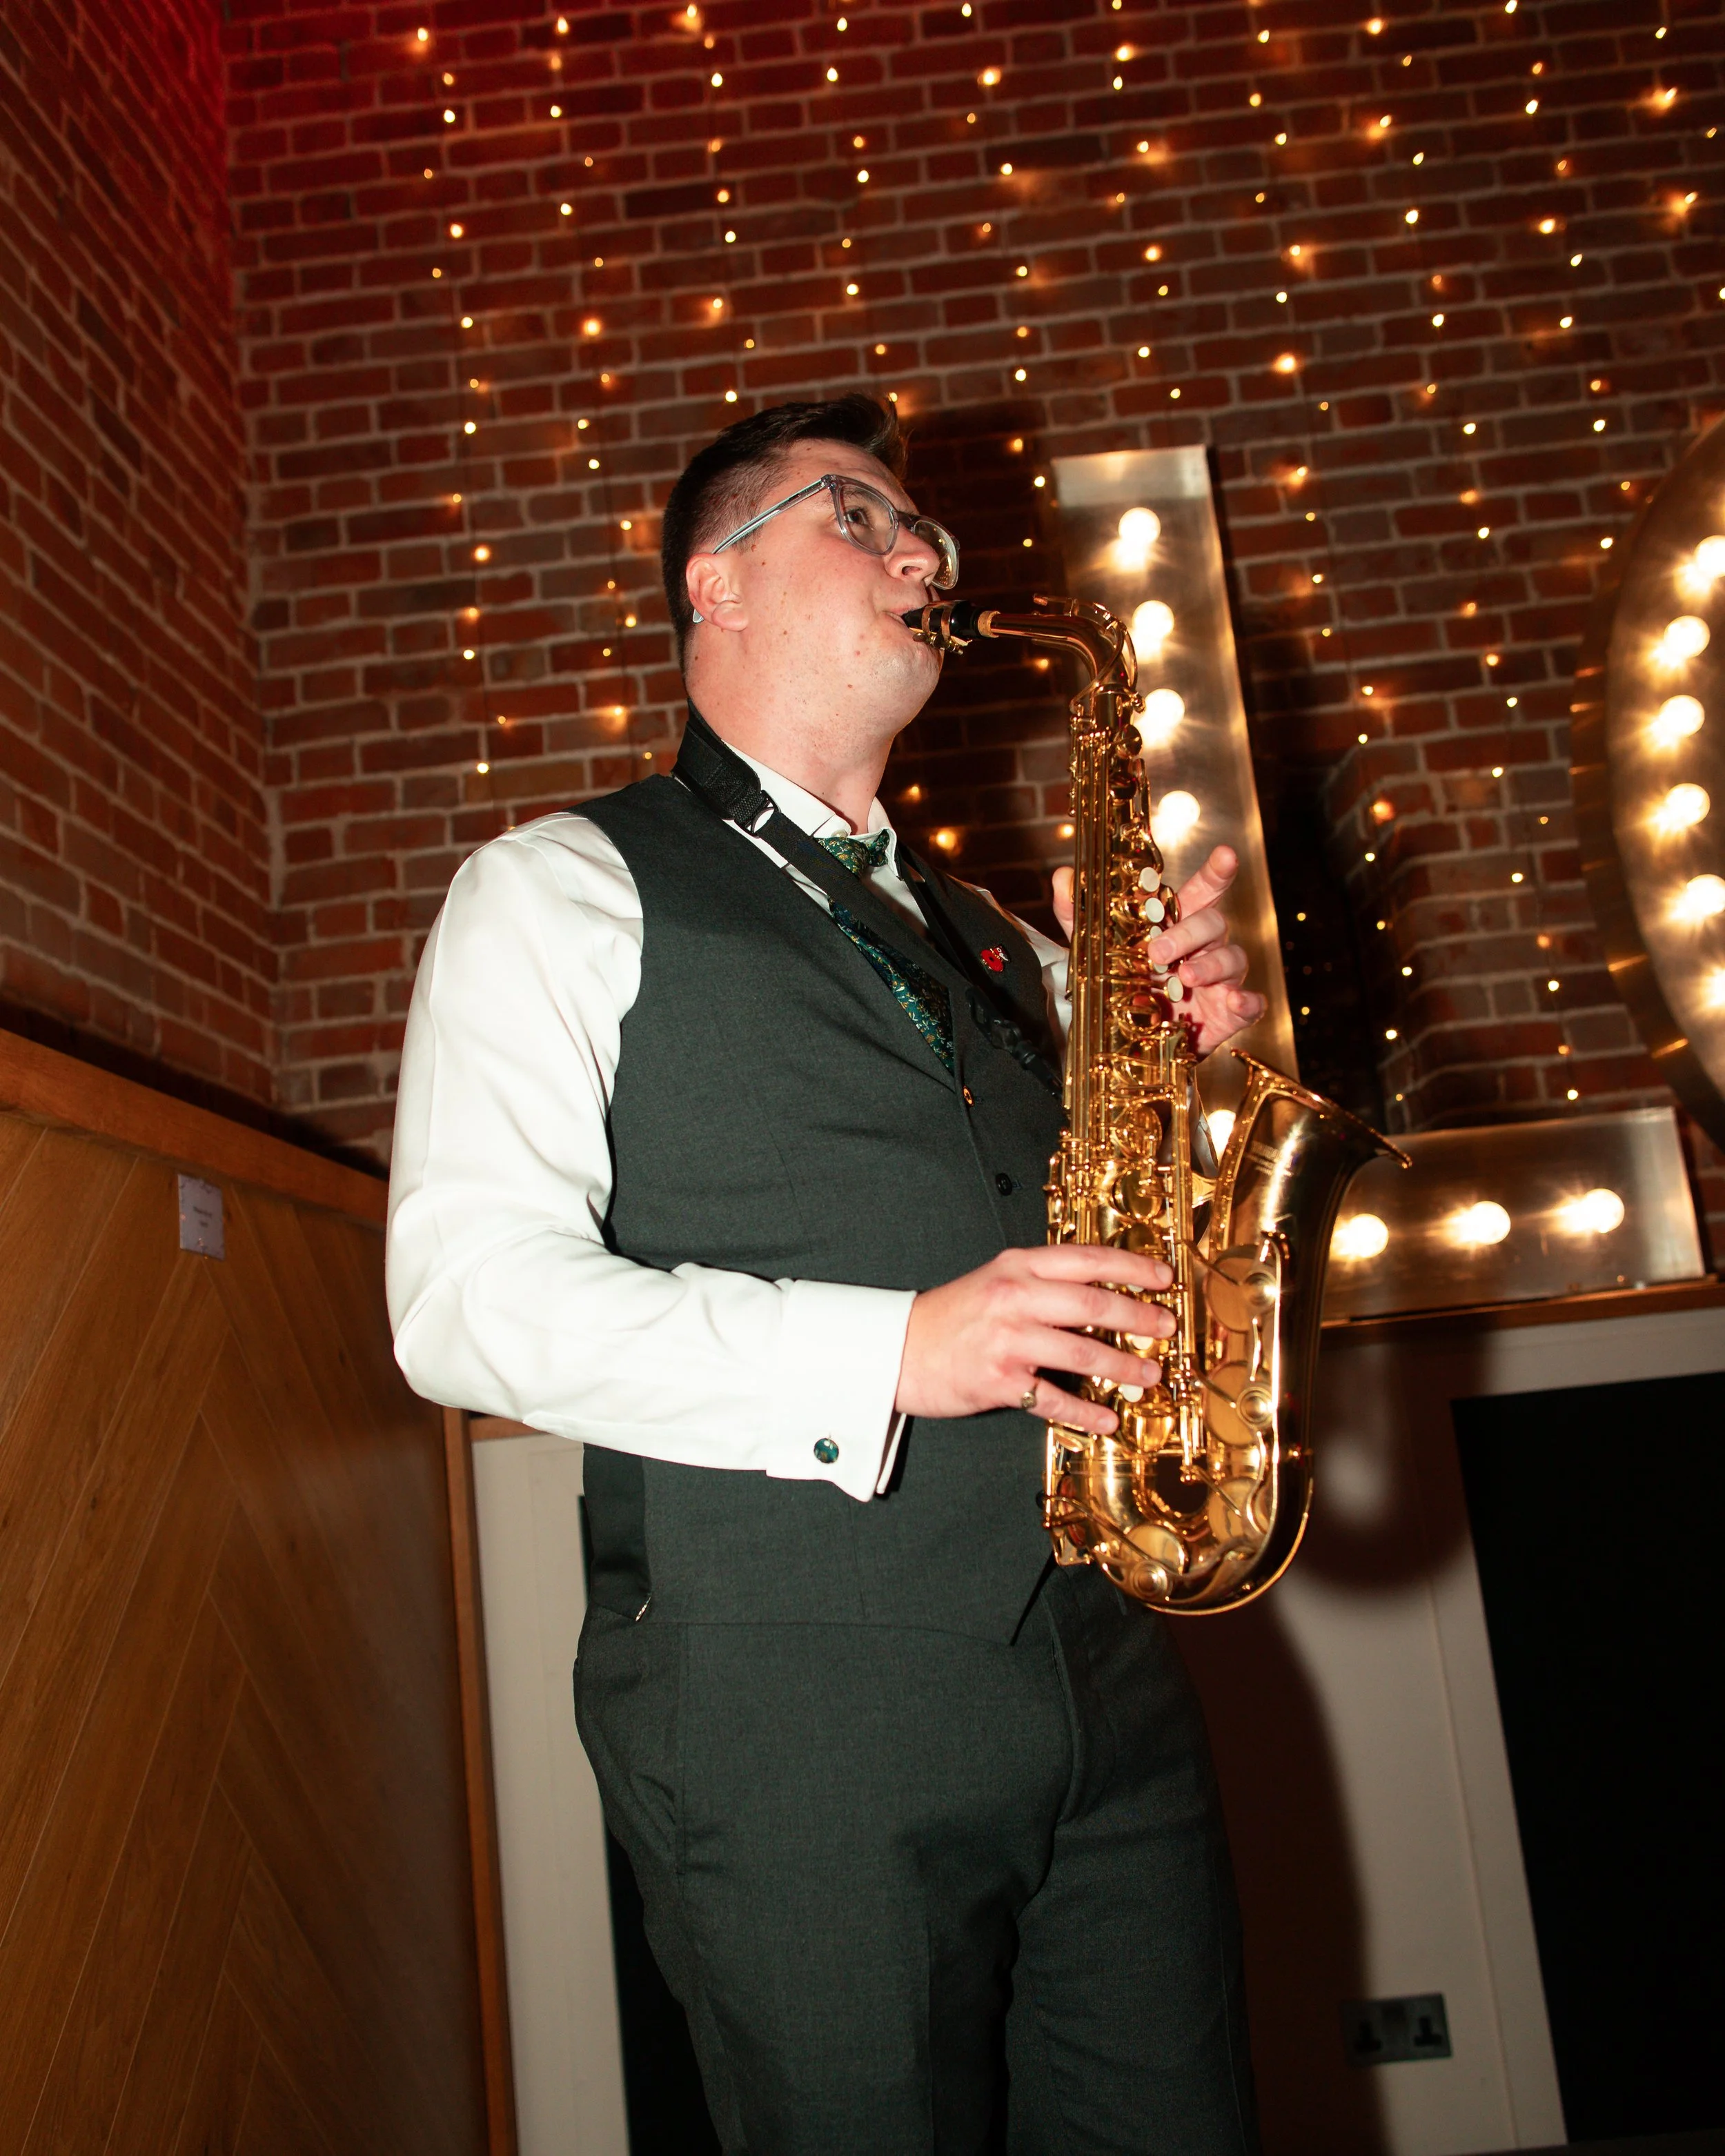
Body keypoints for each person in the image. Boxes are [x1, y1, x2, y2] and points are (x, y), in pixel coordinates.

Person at [387, 395, 1268, 2155]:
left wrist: (1178, 1075)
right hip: (791, 1707)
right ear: (711, 582)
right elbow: (462, 1302)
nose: (920, 548)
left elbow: (1126, 1256)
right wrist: (902, 1347)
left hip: (1101, 1660)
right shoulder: (555, 885)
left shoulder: (1009, 936)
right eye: (852, 514)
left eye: (919, 527)